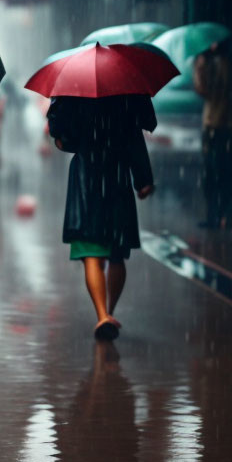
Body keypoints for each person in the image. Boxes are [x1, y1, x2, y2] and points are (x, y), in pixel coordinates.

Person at [47, 95, 156, 340]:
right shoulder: (126, 94)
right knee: (117, 254)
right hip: (117, 176)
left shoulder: (72, 92)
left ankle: (102, 315)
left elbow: (62, 141)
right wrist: (143, 179)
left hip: (86, 177)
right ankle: (110, 311)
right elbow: (135, 138)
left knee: (91, 253)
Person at [193, 40, 232, 229]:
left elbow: (206, 89)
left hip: (219, 126)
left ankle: (221, 215)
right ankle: (215, 215)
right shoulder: (217, 64)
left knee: (218, 172)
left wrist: (201, 66)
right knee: (212, 174)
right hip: (214, 125)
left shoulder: (222, 64)